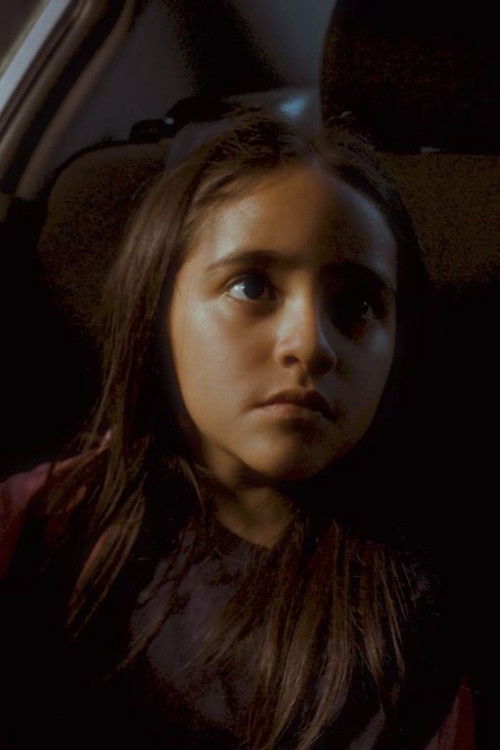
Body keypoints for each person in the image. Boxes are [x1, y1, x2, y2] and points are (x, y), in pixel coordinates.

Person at [0, 112, 474, 749]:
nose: (310, 344)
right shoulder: (38, 524)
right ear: (156, 308)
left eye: (355, 306)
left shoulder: (416, 620)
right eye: (251, 286)